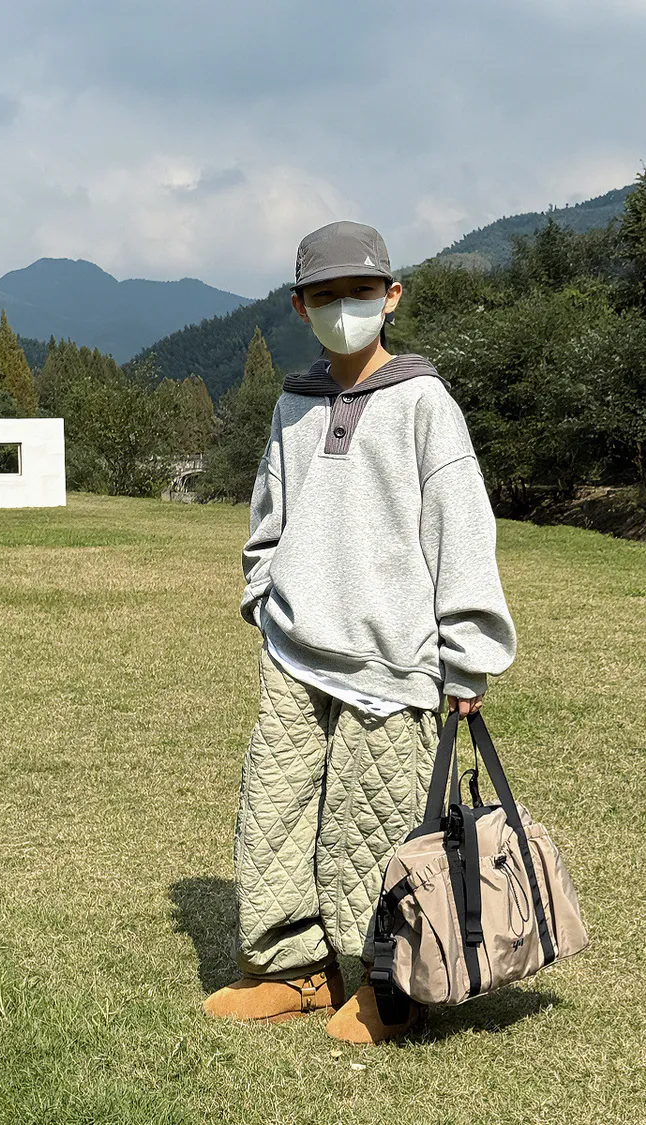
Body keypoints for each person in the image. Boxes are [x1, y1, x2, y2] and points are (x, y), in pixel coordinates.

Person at [202, 220, 517, 1044]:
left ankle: (389, 988)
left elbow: (461, 528)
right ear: (300, 305)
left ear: (392, 295)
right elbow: (268, 516)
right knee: (272, 813)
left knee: (370, 827)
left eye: (362, 291)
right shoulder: (293, 404)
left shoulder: (424, 403)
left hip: (392, 660)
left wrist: (467, 656)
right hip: (294, 652)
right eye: (327, 294)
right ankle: (293, 969)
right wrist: (265, 597)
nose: (345, 307)